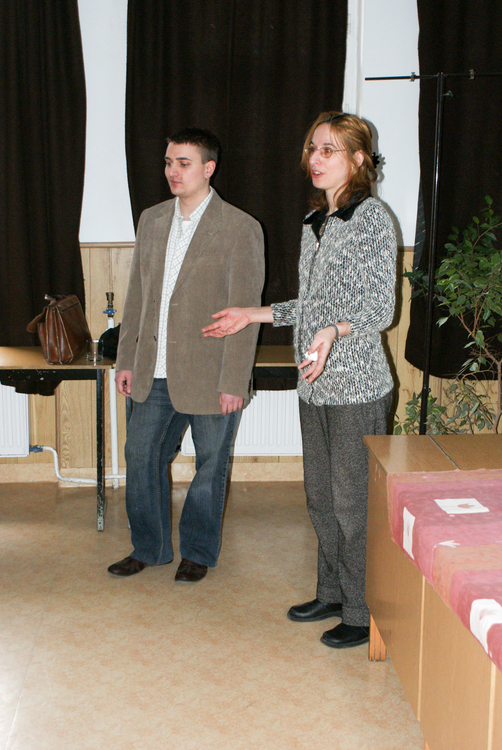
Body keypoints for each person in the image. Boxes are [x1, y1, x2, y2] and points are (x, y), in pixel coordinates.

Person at [203, 112, 396, 645]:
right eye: (313, 148)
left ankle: (361, 610)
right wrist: (253, 313)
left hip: (356, 387)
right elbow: (309, 306)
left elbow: (381, 308)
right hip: (313, 383)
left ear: (358, 159)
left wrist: (335, 331)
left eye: (329, 150)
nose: (315, 158)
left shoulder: (371, 218)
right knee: (320, 497)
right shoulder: (316, 222)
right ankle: (331, 591)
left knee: (352, 503)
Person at [108, 127, 264, 583]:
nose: (172, 171)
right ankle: (150, 548)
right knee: (140, 456)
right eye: (168, 162)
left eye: (183, 163)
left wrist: (234, 381)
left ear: (208, 168)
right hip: (152, 370)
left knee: (210, 467)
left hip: (211, 374)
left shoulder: (240, 227)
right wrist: (126, 358)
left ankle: (197, 552)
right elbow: (138, 296)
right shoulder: (152, 219)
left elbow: (246, 311)